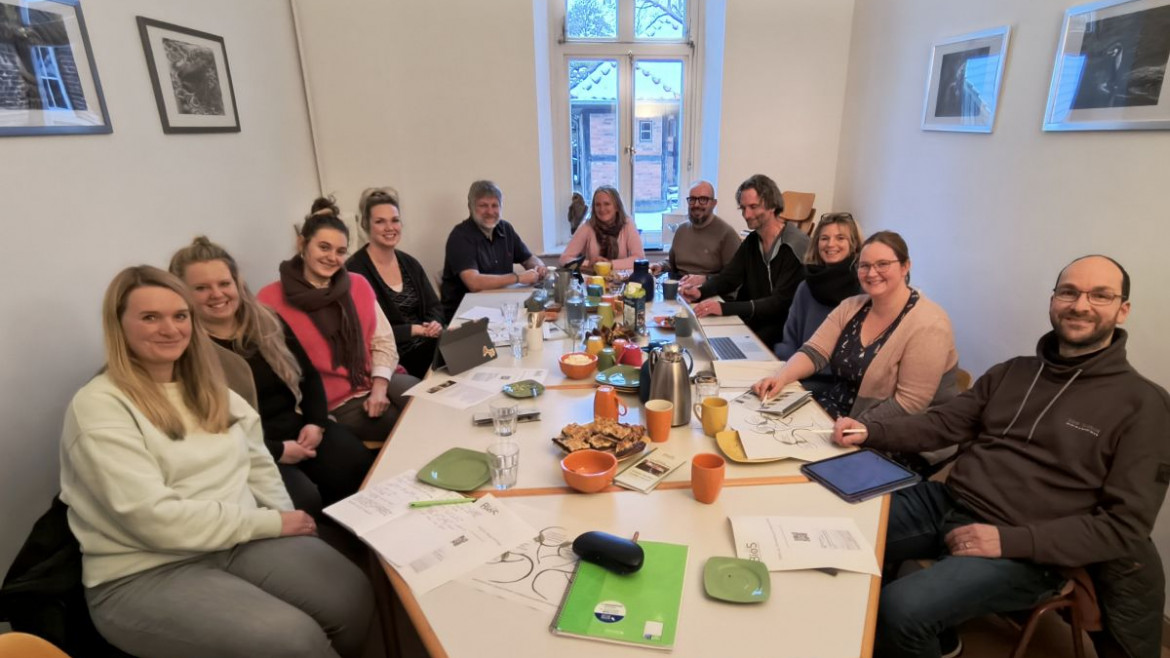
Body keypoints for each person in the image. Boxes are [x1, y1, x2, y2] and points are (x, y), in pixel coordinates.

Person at [831, 255, 1170, 658]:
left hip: (1030, 548)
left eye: (1100, 295)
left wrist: (1011, 540)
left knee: (901, 611)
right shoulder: (1013, 372)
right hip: (950, 503)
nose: (1080, 305)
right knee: (841, 531)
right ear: (1053, 301)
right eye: (1069, 292)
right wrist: (870, 431)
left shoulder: (1145, 406)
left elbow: (1124, 526)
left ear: (1123, 310)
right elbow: (943, 424)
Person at [60, 265, 373, 658]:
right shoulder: (99, 406)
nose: (170, 329)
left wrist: (284, 519)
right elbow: (152, 518)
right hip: (147, 569)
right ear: (118, 325)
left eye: (179, 315)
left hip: (235, 541)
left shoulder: (207, 389)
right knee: (291, 640)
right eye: (150, 317)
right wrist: (269, 522)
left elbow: (257, 460)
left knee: (350, 590)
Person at [170, 236, 374, 516]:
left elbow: (309, 376)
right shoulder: (185, 350)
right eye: (201, 288)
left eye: (224, 283)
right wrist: (277, 450)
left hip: (300, 428)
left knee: (357, 461)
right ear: (182, 294)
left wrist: (315, 424)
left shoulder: (267, 320)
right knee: (303, 499)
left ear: (237, 283)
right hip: (249, 448)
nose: (217, 294)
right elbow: (207, 428)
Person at [754, 231, 958, 422]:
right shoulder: (852, 306)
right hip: (836, 413)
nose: (872, 273)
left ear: (905, 266)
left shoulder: (929, 323)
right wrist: (780, 378)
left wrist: (858, 426)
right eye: (864, 266)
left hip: (892, 430)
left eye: (883, 264)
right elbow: (814, 352)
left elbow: (910, 403)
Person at [258, 205, 418, 445]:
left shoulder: (357, 284)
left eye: (341, 251)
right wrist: (315, 418)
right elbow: (279, 374)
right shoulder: (269, 300)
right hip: (335, 400)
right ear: (302, 244)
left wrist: (379, 387)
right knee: (405, 426)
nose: (332, 257)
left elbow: (383, 341)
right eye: (324, 247)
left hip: (379, 377)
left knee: (430, 404)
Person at [680, 174, 809, 346]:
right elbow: (729, 278)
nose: (747, 214)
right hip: (757, 322)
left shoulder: (794, 245)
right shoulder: (752, 241)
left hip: (783, 330)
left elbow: (779, 304)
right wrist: (701, 292)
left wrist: (724, 308)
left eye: (753, 207)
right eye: (743, 208)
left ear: (772, 205)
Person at [345, 188, 444, 378]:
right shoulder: (355, 272)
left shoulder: (409, 263)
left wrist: (435, 323)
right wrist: (413, 330)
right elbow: (366, 332)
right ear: (366, 225)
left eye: (395, 220)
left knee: (476, 348)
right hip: (394, 358)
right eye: (380, 222)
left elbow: (435, 306)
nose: (390, 227)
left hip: (428, 345)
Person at [439, 180, 548, 321]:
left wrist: (539, 267)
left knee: (537, 325)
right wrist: (518, 278)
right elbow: (474, 283)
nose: (490, 212)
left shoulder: (506, 228)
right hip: (465, 316)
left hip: (500, 307)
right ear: (470, 207)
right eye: (483, 205)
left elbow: (527, 258)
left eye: (495, 205)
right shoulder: (460, 236)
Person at [773, 213, 863, 377]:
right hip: (800, 375)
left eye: (840, 238)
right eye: (824, 238)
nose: (831, 244)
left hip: (839, 384)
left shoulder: (863, 290)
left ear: (854, 244)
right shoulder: (806, 287)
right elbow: (789, 340)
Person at [652, 180, 740, 278]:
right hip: (680, 287)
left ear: (714, 203)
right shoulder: (681, 230)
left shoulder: (727, 234)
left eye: (703, 199)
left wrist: (705, 280)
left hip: (710, 290)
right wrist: (661, 266)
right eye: (692, 199)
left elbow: (734, 276)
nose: (696, 205)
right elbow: (672, 263)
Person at [559, 185, 645, 271]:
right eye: (598, 205)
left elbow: (640, 258)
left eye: (607, 204)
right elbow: (564, 259)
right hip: (593, 281)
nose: (602, 209)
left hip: (622, 280)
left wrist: (610, 264)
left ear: (617, 207)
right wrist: (589, 264)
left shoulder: (627, 224)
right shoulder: (587, 226)